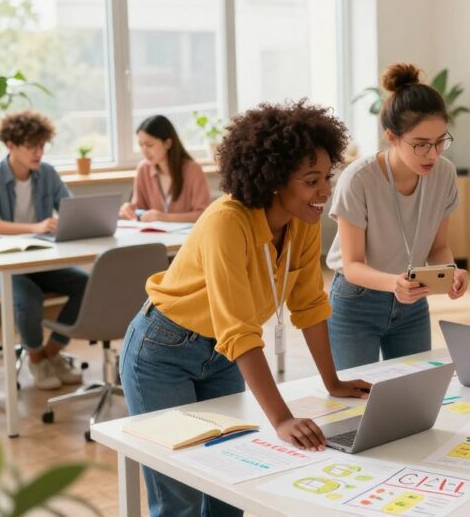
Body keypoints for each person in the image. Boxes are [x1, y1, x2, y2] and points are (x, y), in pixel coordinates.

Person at [120, 100, 371, 517]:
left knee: (230, 487)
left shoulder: (303, 222)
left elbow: (308, 304)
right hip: (163, 352)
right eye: (311, 181)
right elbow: (238, 330)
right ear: (274, 180)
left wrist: (333, 381)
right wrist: (282, 419)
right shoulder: (226, 221)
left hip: (221, 357)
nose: (325, 192)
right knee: (178, 497)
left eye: (326, 177)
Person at [326, 64, 467, 370]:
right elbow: (351, 266)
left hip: (412, 301)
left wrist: (450, 272)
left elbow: (437, 247)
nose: (433, 154)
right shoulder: (359, 179)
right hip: (356, 302)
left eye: (441, 141)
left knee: (413, 393)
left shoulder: (445, 173)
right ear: (391, 136)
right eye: (420, 144)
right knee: (356, 399)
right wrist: (395, 284)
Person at [0, 110, 86, 390]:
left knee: (86, 283)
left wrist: (68, 221)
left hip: (38, 258)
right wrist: (37, 227)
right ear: (11, 145)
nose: (38, 153)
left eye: (42, 146)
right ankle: (36, 359)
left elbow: (70, 208)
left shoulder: (47, 173)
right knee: (28, 297)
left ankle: (51, 353)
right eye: (31, 147)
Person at [119, 115, 210, 223]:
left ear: (168, 143)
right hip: (153, 237)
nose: (144, 151)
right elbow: (139, 209)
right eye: (141, 145)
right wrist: (128, 209)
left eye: (149, 145)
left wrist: (164, 218)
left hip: (186, 238)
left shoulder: (193, 170)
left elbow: (203, 215)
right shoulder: (143, 169)